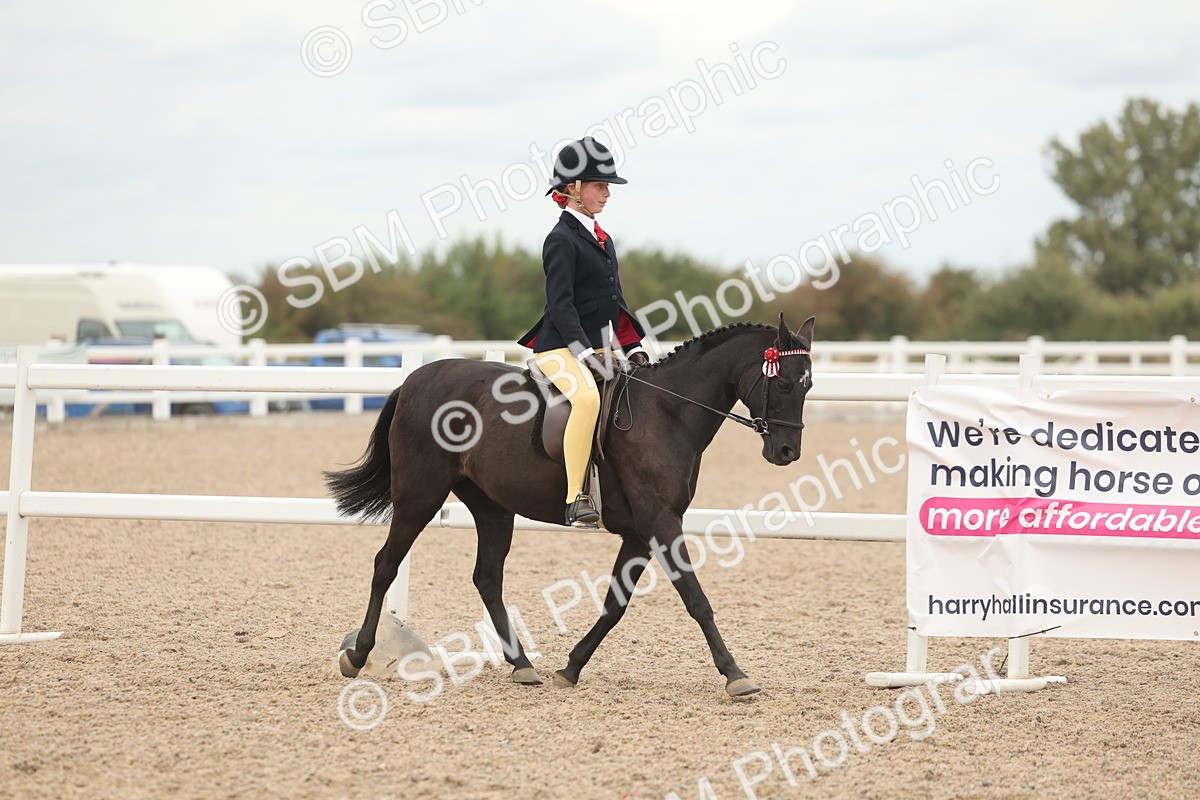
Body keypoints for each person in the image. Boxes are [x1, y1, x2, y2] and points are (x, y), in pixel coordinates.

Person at [517, 137, 650, 528]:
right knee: (588, 400)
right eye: (599, 185)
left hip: (595, 347)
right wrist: (583, 352)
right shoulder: (560, 240)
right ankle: (576, 498)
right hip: (559, 349)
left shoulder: (602, 239)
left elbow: (614, 301)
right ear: (573, 189)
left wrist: (633, 345)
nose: (607, 193)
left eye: (607, 186)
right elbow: (561, 306)